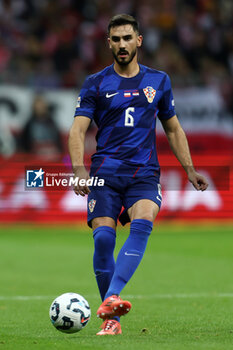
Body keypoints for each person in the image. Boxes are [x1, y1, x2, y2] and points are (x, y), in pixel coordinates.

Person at [68, 14, 208, 336]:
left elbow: (172, 128)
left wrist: (189, 170)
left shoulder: (158, 80)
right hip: (105, 173)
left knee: (143, 222)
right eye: (116, 39)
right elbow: (78, 130)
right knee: (104, 240)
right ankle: (111, 319)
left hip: (144, 173)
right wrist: (78, 170)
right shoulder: (95, 83)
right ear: (108, 43)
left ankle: (112, 298)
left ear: (138, 41)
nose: (122, 45)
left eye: (127, 38)